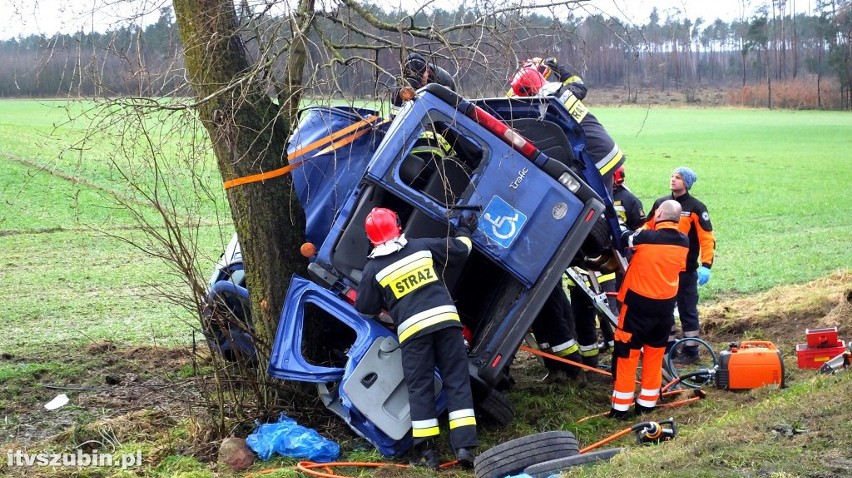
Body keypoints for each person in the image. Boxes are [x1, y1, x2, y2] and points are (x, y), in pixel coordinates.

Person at [354, 207, 479, 469]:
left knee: (420, 388)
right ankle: (466, 447)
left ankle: (428, 454)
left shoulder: (373, 269)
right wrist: (466, 228)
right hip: (446, 323)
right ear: (397, 226)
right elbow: (461, 249)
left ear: (371, 238)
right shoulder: (422, 247)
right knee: (456, 380)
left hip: (413, 334)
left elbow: (365, 309)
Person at [610, 200, 689, 418]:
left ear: (659, 214)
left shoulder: (646, 238)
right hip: (664, 310)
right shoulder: (684, 242)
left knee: (627, 355)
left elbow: (625, 238)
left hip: (637, 307)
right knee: (654, 356)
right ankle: (646, 404)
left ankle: (620, 409)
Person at [645, 167, 716, 363]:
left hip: (686, 271)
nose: (673, 179)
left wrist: (706, 265)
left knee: (688, 310)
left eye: (678, 177)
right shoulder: (661, 204)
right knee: (664, 309)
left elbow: (706, 238)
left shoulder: (696, 208)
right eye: (672, 176)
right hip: (663, 270)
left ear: (687, 183)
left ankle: (691, 351)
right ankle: (668, 350)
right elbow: (647, 227)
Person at [598, 165, 647, 350]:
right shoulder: (599, 194)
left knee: (624, 300)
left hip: (625, 258)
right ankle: (610, 338)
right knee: (603, 302)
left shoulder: (628, 199)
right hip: (604, 256)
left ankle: (629, 338)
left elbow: (641, 229)